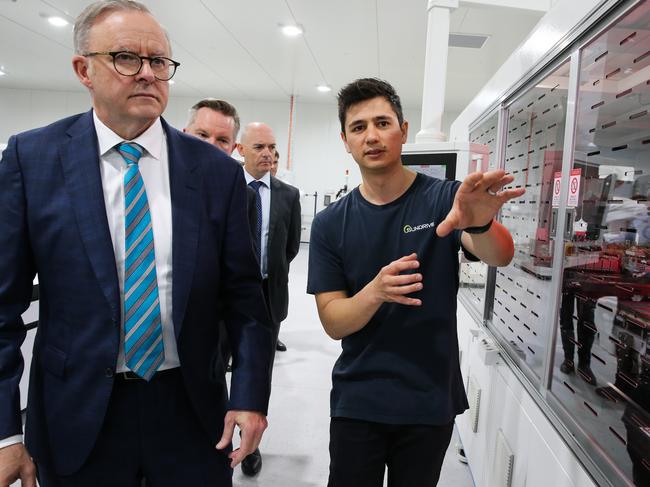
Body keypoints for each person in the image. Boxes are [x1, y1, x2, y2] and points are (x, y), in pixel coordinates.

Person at [0, 2, 273, 486]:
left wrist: (250, 396)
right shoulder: (32, 158)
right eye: (127, 58)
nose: (148, 74)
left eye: (160, 62)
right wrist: (5, 434)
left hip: (190, 410)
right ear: (84, 69)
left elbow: (247, 302)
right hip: (77, 413)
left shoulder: (216, 174)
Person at [307, 78, 525, 487]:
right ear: (345, 140)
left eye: (383, 122)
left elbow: (501, 255)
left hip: (428, 400)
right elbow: (334, 321)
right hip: (359, 399)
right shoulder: (329, 223)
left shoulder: (445, 199)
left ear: (403, 131)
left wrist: (480, 221)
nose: (371, 135)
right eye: (358, 127)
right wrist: (375, 292)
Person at [236, 122, 301, 476]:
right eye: (259, 146)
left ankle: (250, 447)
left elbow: (290, 247)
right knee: (215, 370)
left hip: (268, 294)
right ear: (240, 150)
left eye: (272, 147)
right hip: (225, 298)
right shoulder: (226, 188)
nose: (267, 154)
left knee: (258, 374)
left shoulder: (289, 195)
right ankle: (215, 437)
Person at [183, 98, 258, 374]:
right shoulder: (155, 189)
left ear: (233, 147)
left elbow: (241, 276)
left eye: (222, 140)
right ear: (184, 133)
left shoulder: (241, 195)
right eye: (202, 135)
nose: (210, 146)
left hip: (210, 336)